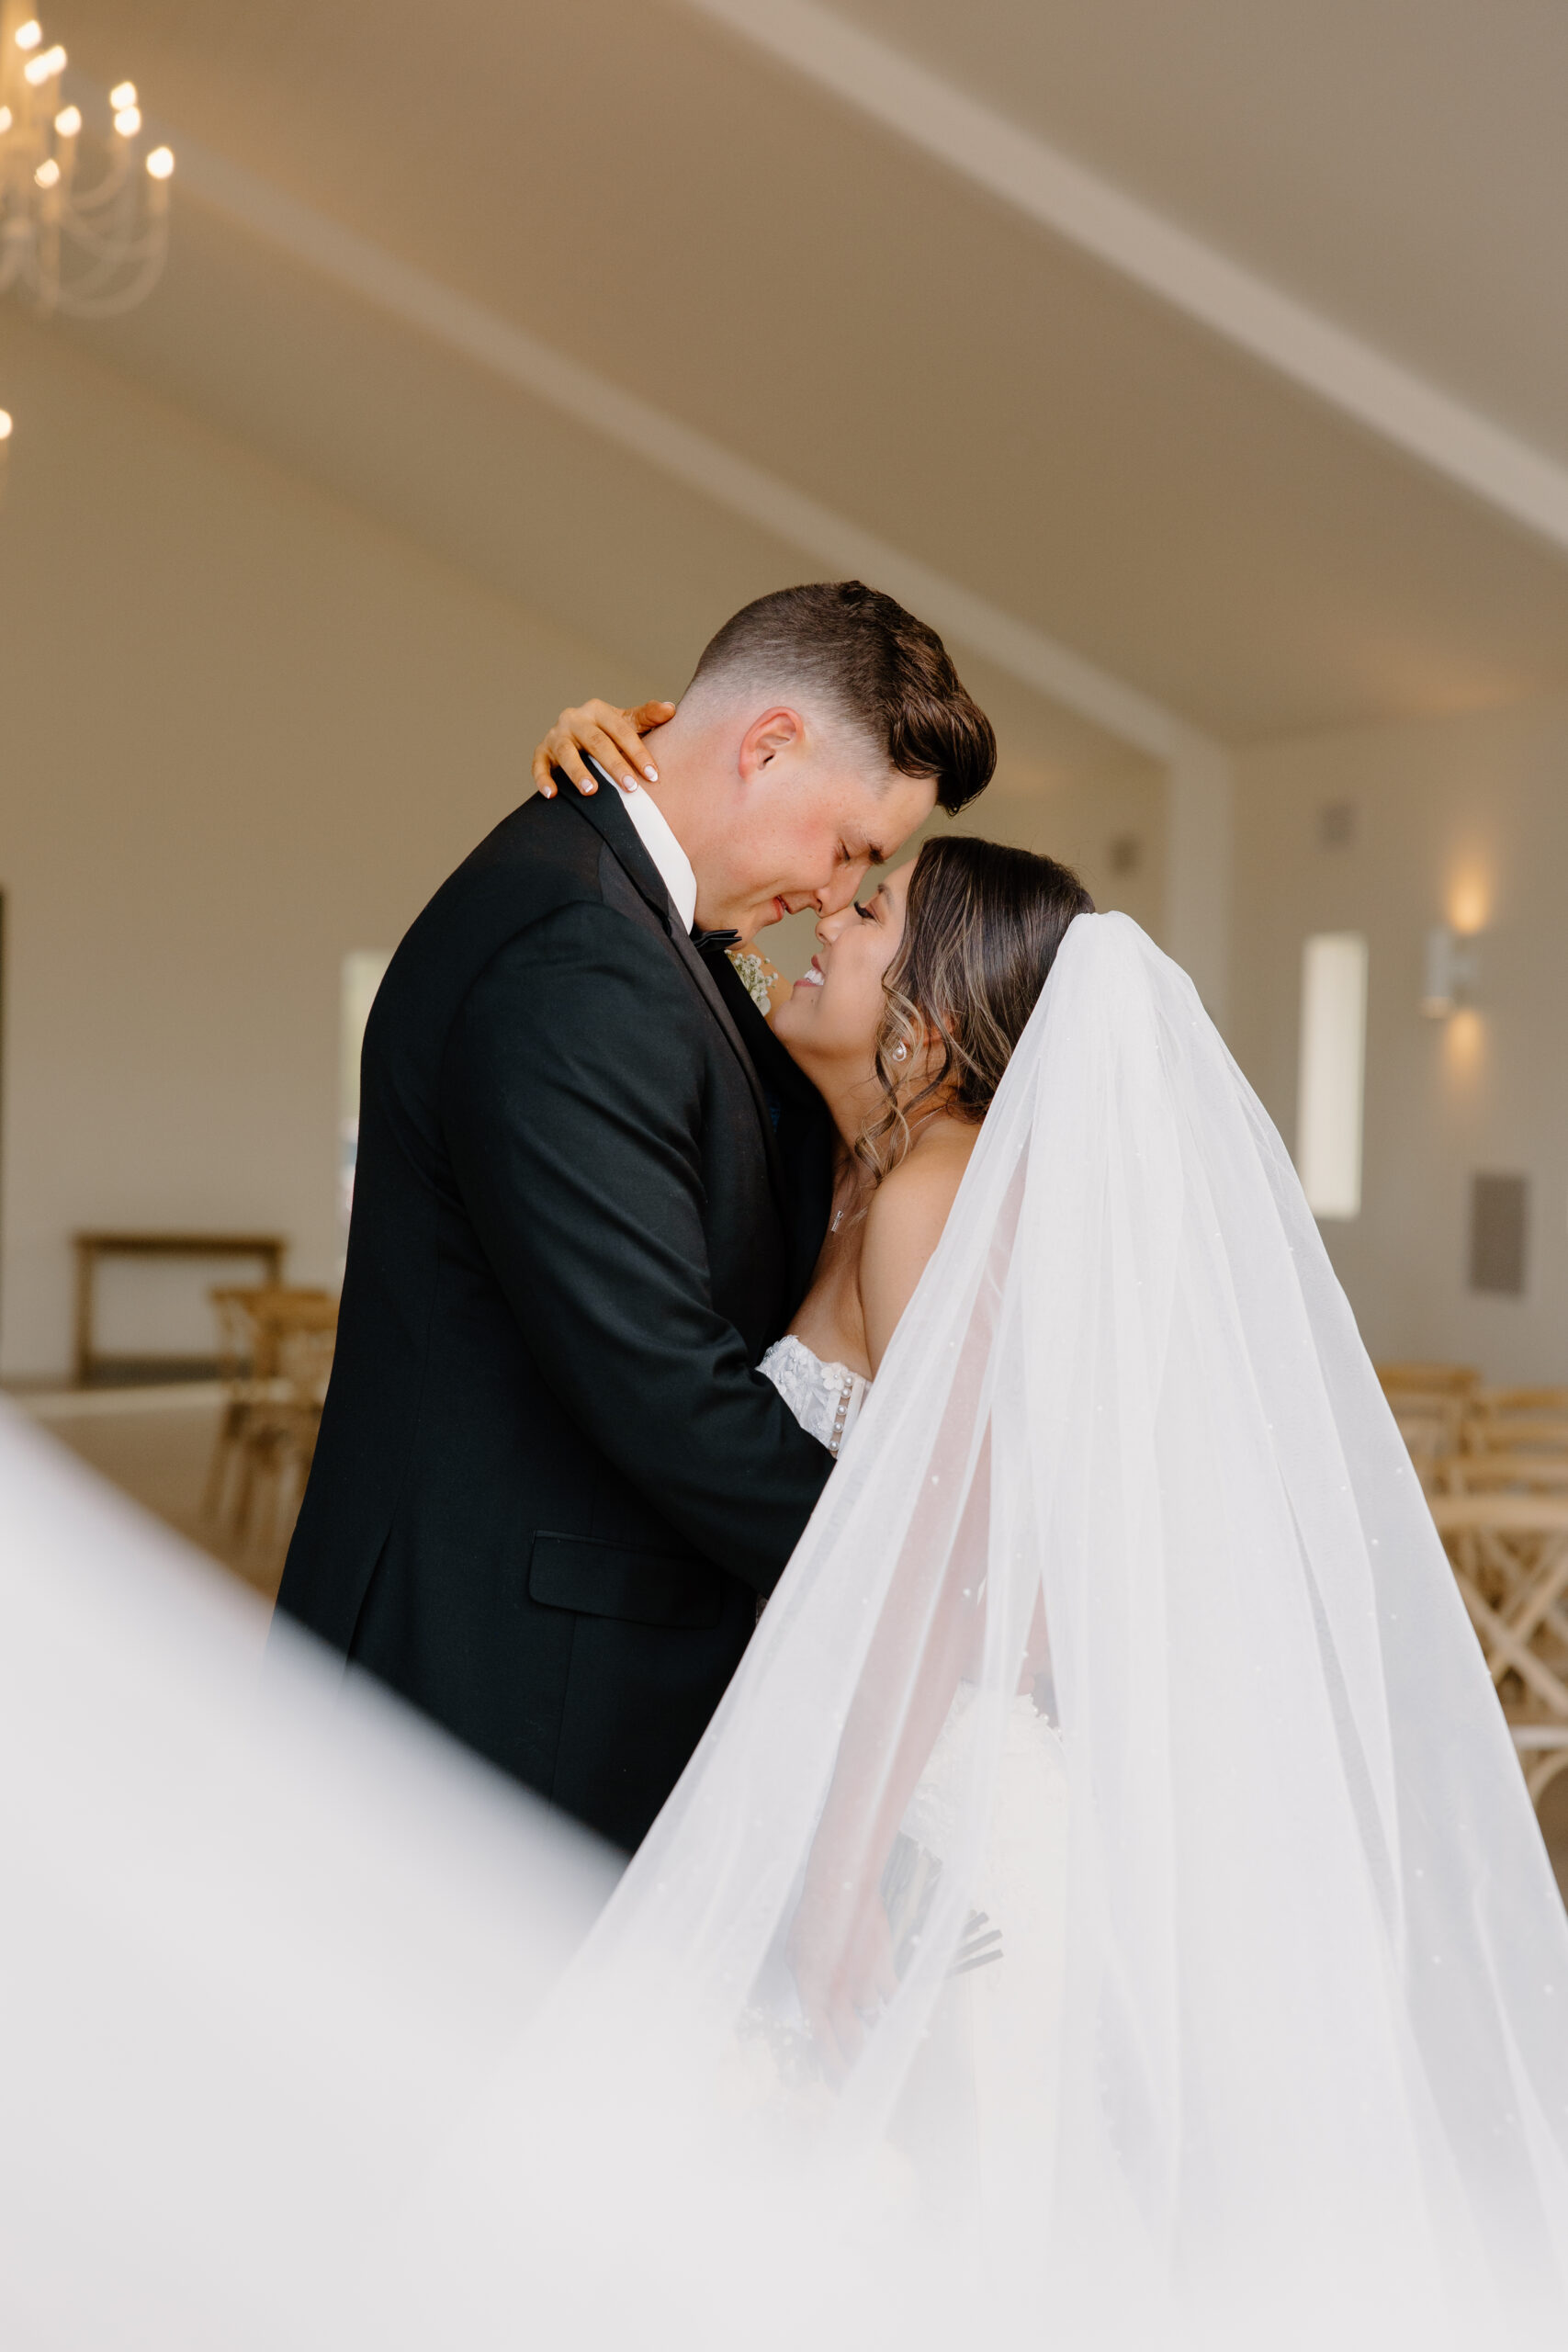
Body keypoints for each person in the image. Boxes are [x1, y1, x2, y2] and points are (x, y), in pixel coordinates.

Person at [406, 691, 1568, 2346]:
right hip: (887, 1770)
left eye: (868, 906)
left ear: (938, 1027)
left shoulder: (931, 1202)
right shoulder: (867, 1176)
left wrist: (843, 1864)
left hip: (939, 1805)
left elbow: (950, 1576)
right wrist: (633, 770)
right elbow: (687, 935)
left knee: (951, 2219)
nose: (827, 910)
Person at [274, 582, 995, 1852]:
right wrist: (927, 1588)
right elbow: (666, 1384)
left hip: (533, 1665)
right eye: (849, 847)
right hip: (491, 1684)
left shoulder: (629, 920)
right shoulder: (578, 950)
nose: (836, 895)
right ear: (766, 746)